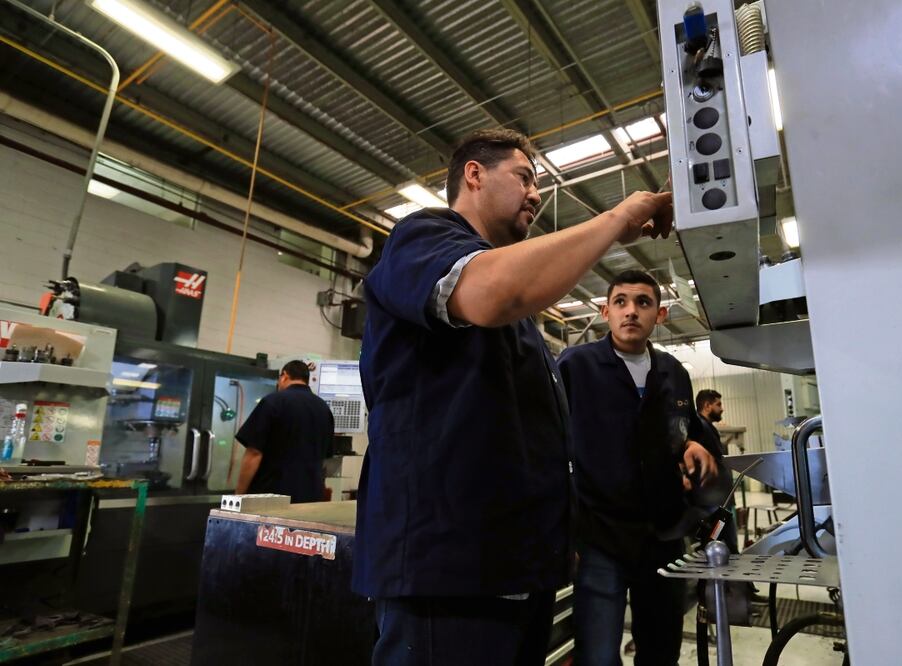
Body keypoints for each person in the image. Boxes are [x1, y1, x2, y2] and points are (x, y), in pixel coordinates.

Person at [354, 128, 673, 666]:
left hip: (514, 570)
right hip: (449, 574)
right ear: (474, 174)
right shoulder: (422, 237)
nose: (536, 193)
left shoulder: (520, 319)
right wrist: (617, 219)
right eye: (524, 177)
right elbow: (492, 291)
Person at [556, 269, 718, 666]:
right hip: (599, 536)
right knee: (597, 652)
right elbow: (548, 446)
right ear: (605, 311)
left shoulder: (673, 373)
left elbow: (682, 433)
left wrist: (694, 445)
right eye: (621, 302)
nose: (631, 312)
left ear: (660, 315)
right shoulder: (576, 366)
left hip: (662, 537)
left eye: (643, 303)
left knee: (661, 651)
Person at [234, 360, 334, 503]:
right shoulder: (324, 409)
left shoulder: (273, 402)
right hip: (311, 499)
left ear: (284, 376)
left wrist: (238, 497)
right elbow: (325, 459)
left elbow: (254, 453)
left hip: (273, 499)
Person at [695, 389, 738, 551]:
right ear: (707, 406)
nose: (722, 408)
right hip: (712, 501)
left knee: (725, 542)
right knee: (714, 543)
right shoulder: (699, 427)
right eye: (718, 404)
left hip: (721, 499)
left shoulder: (708, 427)